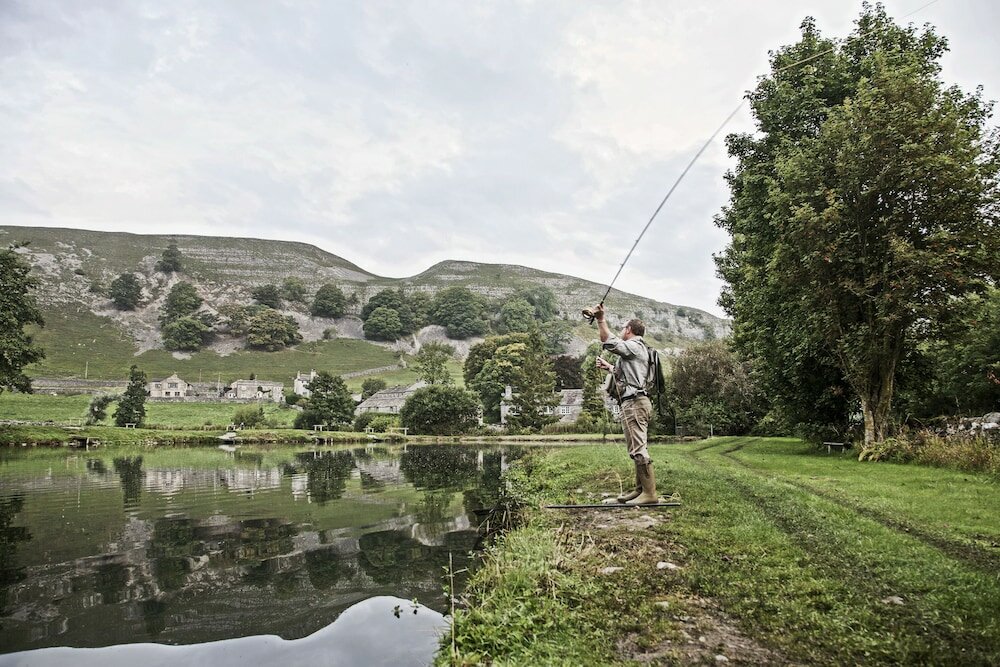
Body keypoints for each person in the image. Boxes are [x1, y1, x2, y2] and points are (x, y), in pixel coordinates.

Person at [591, 303, 659, 504]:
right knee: (636, 447)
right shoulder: (638, 349)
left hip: (635, 403)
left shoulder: (635, 345)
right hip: (637, 402)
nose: (621, 331)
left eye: (623, 328)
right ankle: (640, 491)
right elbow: (631, 375)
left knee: (638, 448)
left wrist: (601, 319)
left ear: (629, 330)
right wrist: (610, 367)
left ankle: (650, 494)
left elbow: (608, 341)